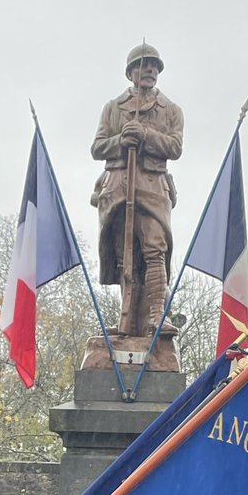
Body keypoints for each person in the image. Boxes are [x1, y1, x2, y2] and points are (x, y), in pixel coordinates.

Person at [90, 42, 184, 337]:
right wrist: (120, 141)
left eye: (154, 67)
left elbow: (175, 147)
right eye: (144, 65)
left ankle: (156, 316)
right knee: (124, 254)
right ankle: (127, 320)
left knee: (155, 248)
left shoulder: (171, 110)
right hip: (119, 186)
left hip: (153, 187)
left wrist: (145, 134)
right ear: (131, 72)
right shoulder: (113, 108)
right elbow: (97, 147)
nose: (150, 71)